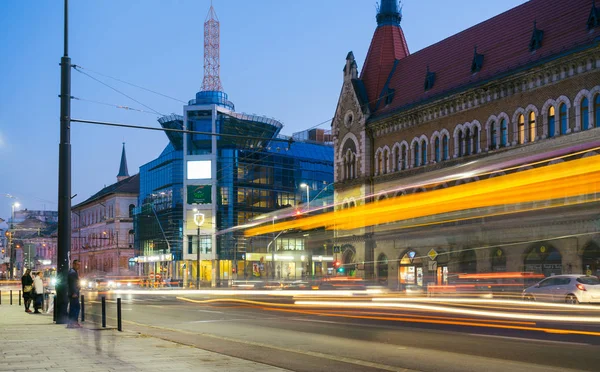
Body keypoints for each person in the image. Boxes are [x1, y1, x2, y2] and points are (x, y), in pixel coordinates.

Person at [67, 259, 81, 328]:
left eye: (79, 265)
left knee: (73, 307)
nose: (79, 266)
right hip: (73, 294)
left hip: (73, 293)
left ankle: (71, 322)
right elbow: (72, 284)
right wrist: (74, 292)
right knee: (75, 308)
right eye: (77, 265)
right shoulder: (73, 273)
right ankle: (73, 322)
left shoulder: (73, 272)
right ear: (74, 264)